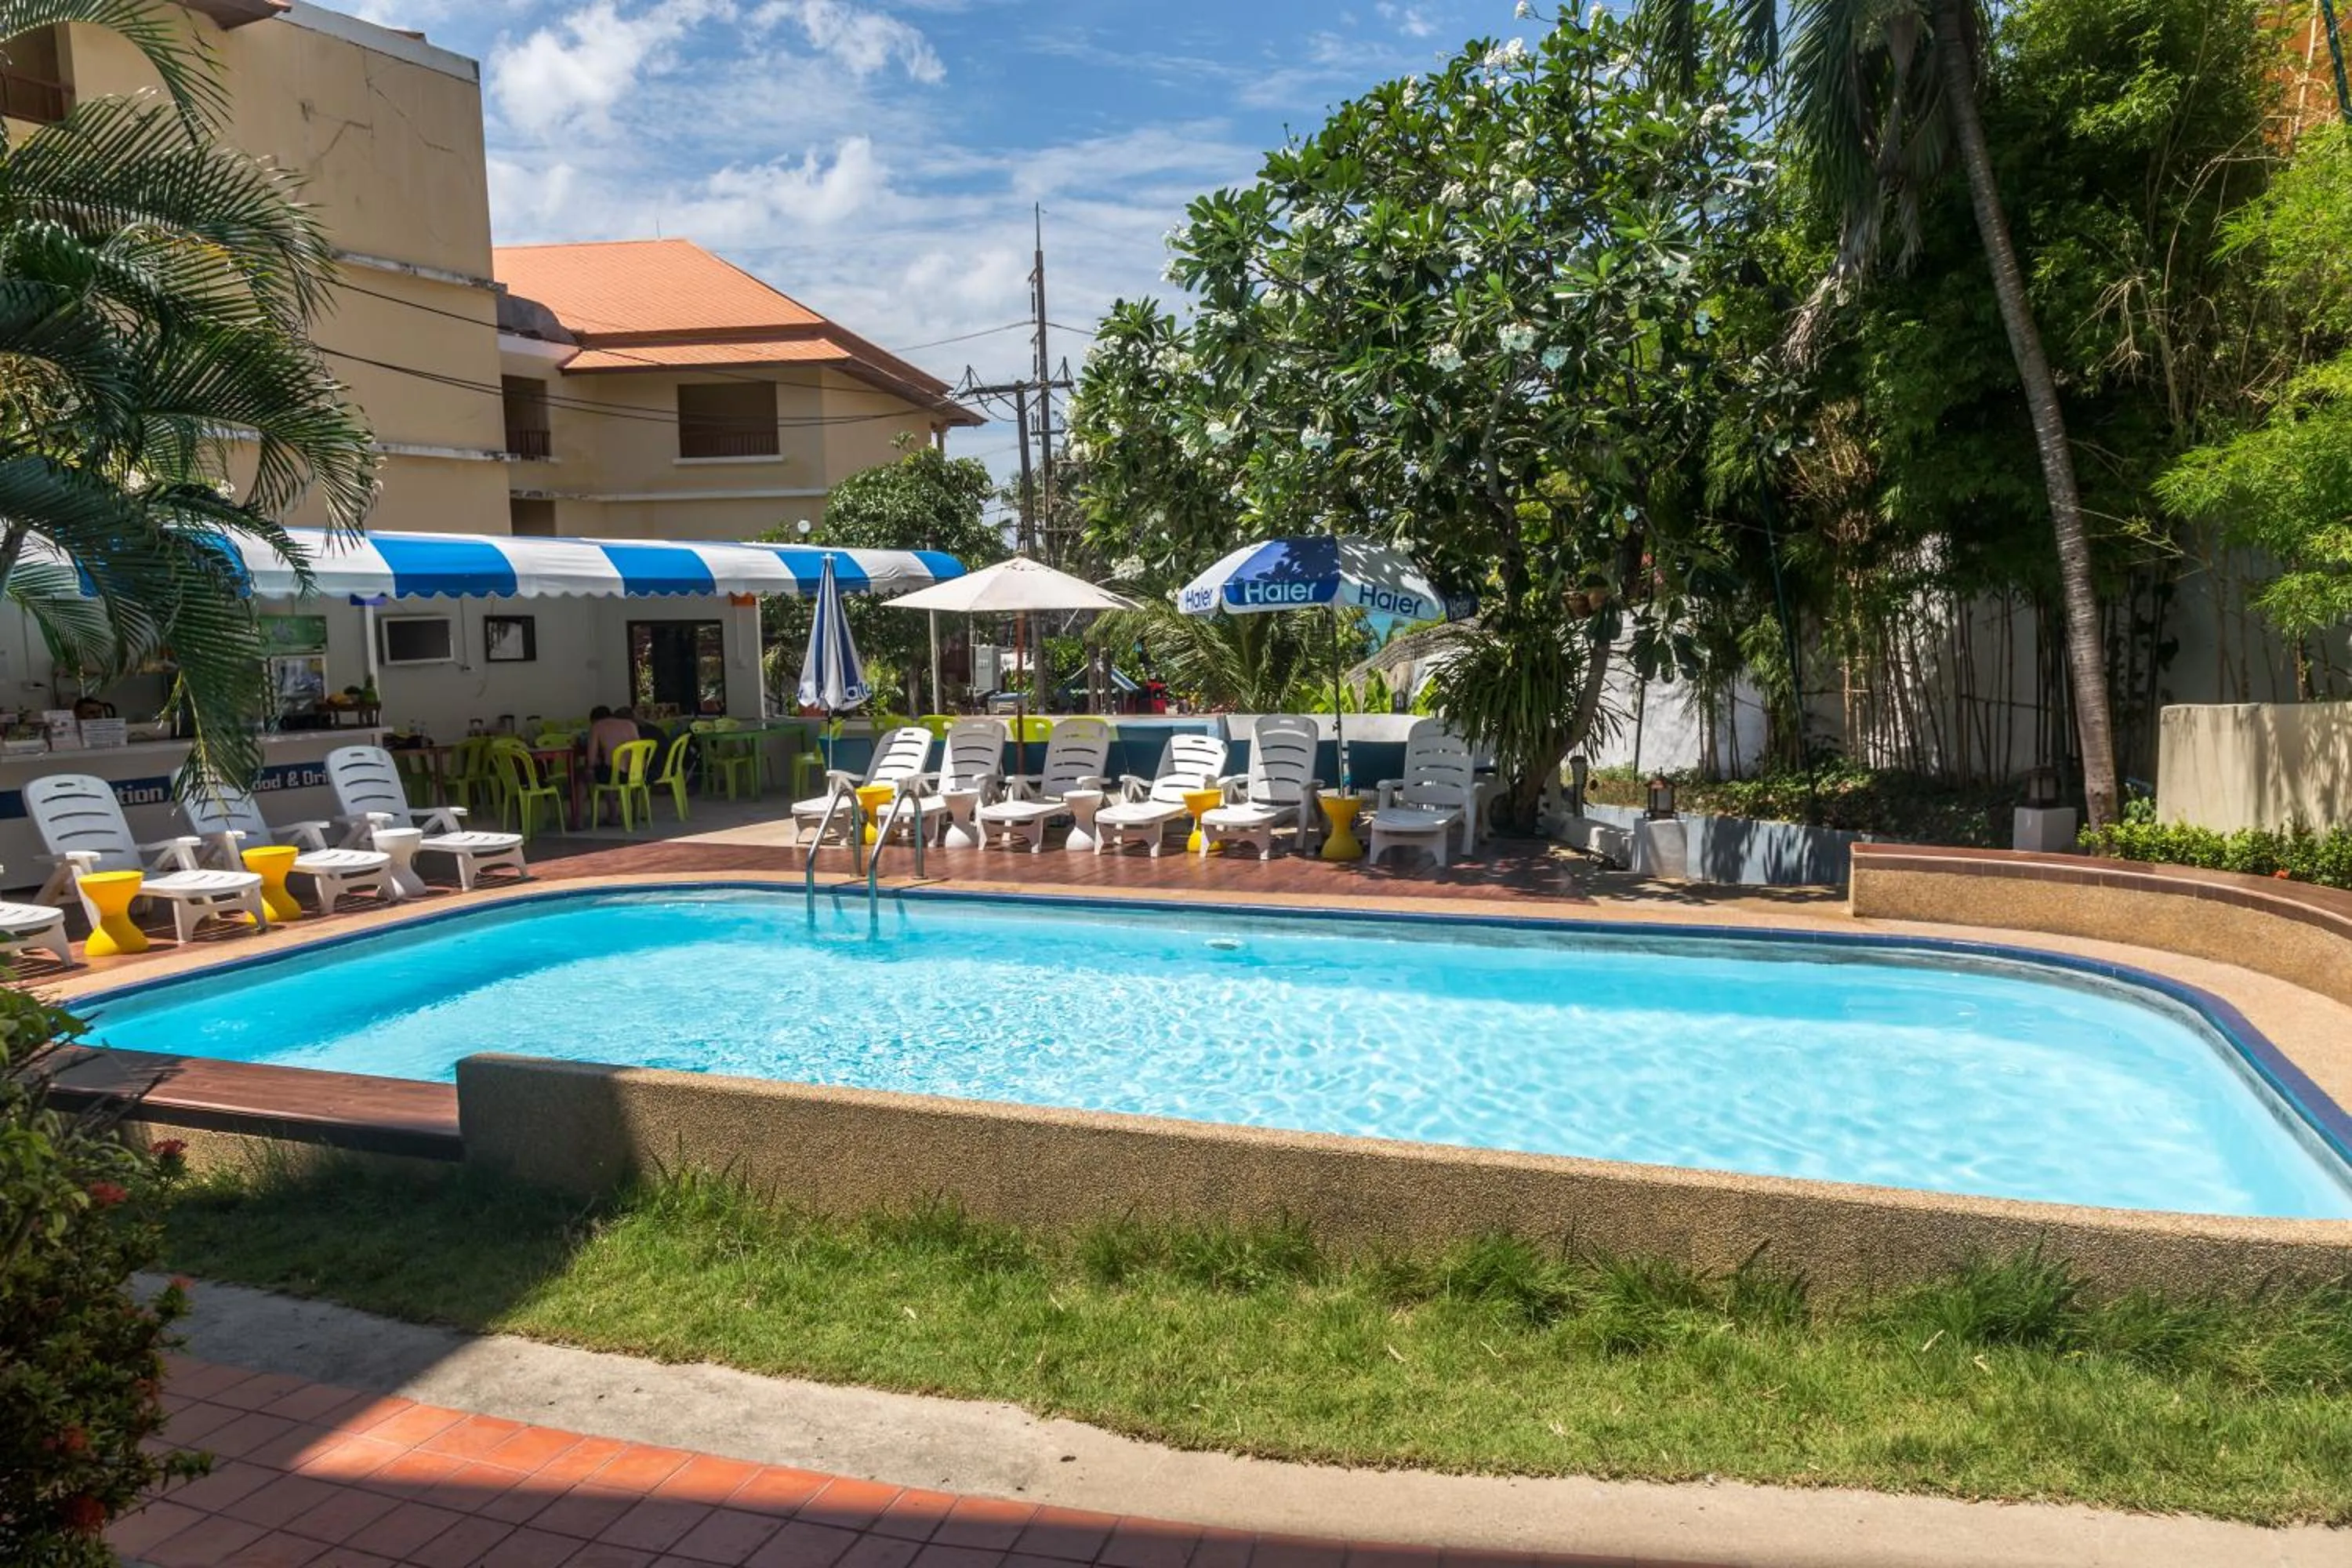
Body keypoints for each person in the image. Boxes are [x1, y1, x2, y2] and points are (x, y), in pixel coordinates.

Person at [586, 704, 639, 782]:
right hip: (636, 772)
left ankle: (587, 794)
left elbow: (591, 760)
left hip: (614, 774)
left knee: (582, 775)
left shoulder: (597, 726)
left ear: (594, 720)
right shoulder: (631, 724)